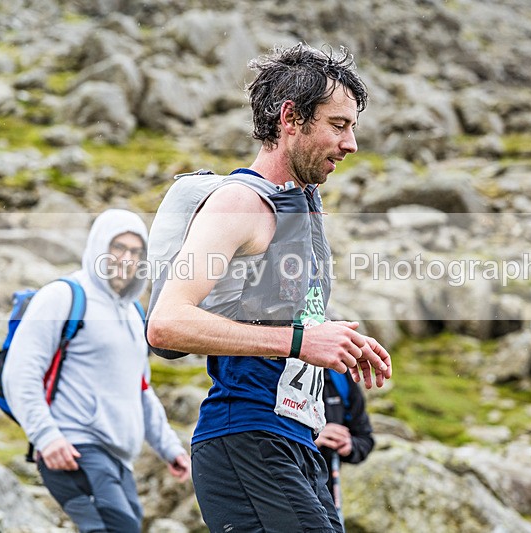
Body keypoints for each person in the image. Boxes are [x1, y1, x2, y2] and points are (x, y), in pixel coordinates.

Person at [146, 43, 392, 533]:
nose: (351, 144)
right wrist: (302, 342)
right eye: (338, 125)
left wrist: (330, 337)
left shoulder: (299, 208)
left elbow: (272, 318)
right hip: (247, 439)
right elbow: (166, 323)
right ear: (290, 119)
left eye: (353, 129)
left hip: (300, 442)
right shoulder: (239, 203)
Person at [3, 209, 190, 533]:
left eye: (135, 252)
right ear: (99, 247)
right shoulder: (62, 296)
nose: (126, 259)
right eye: (118, 247)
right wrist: (46, 437)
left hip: (117, 460)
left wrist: (169, 447)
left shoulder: (133, 312)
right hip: (74, 449)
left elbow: (141, 390)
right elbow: (19, 373)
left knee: (124, 525)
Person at [316, 369, 375, 502]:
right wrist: (309, 438)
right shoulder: (282, 365)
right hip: (281, 485)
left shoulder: (339, 374)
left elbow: (365, 438)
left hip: (327, 494)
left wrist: (350, 444)